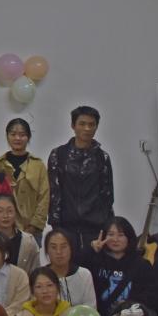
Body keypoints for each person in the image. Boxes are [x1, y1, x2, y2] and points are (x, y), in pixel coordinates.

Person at [48, 106, 114, 249]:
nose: (87, 129)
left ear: (96, 127)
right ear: (73, 126)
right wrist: (56, 227)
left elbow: (107, 195)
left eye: (91, 125)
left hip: (95, 228)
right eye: (82, 124)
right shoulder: (58, 155)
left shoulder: (102, 157)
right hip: (66, 227)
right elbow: (54, 192)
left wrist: (108, 226)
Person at [80, 217, 158, 316]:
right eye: (111, 234)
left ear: (129, 237)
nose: (115, 239)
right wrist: (91, 249)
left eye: (121, 235)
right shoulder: (94, 260)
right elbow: (76, 271)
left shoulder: (141, 264)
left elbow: (152, 294)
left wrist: (130, 304)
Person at [0, 117, 49, 241]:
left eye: (22, 135)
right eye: (13, 134)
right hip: (3, 228)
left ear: (28, 137)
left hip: (31, 228)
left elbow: (44, 197)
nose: (17, 138)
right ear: (7, 136)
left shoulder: (38, 165)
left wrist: (34, 226)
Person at [0, 193, 41, 273]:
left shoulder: (29, 242)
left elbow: (36, 272)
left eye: (10, 211)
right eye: (0, 211)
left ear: (16, 213)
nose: (5, 216)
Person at [42, 229, 97, 309]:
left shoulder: (84, 275)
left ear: (71, 249)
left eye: (63, 247)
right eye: (53, 247)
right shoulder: (41, 277)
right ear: (47, 250)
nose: (59, 252)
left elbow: (90, 309)